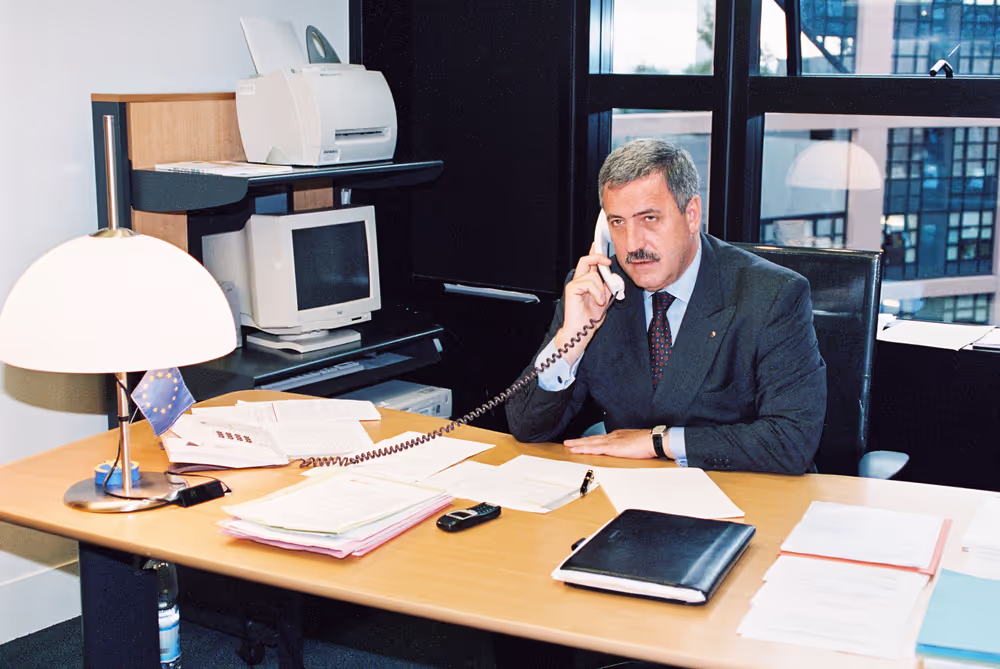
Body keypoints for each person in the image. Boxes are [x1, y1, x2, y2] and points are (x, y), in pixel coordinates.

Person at [505, 138, 827, 474]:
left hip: (745, 495)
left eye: (649, 219)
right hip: (631, 495)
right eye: (618, 222)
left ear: (691, 215)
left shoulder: (772, 295)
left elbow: (792, 441)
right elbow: (528, 427)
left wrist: (657, 442)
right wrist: (569, 341)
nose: (632, 244)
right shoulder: (598, 289)